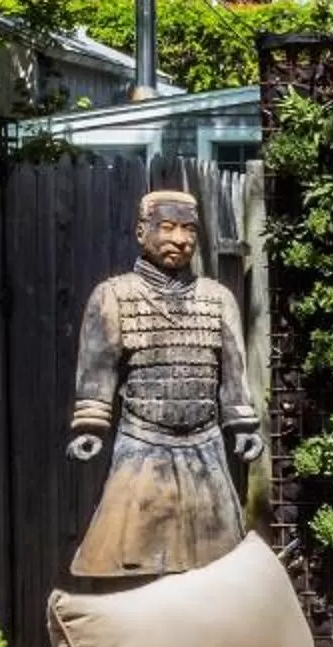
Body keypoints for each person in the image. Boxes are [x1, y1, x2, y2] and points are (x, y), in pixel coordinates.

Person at [66, 189, 262, 578]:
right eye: (168, 227)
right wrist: (91, 425)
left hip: (205, 446)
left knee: (216, 565)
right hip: (141, 444)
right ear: (142, 232)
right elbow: (98, 367)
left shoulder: (217, 299)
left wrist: (242, 423)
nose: (180, 239)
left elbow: (233, 368)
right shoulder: (114, 296)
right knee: (130, 560)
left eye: (189, 229)